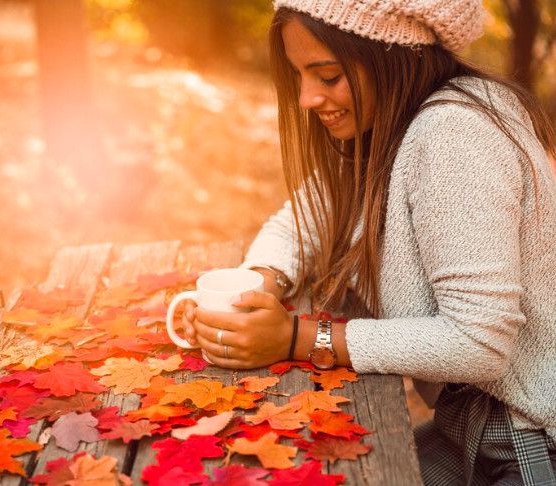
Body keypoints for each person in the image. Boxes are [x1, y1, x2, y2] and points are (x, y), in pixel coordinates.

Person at [180, 0, 556, 484]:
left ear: (392, 56)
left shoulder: (454, 134)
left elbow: (478, 340)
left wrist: (297, 339)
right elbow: (300, 223)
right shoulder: (383, 131)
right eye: (301, 76)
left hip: (528, 442)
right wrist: (254, 289)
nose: (307, 99)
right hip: (467, 430)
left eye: (328, 76)